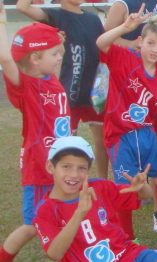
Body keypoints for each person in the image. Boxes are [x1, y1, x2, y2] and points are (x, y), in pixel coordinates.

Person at [17, 0, 108, 175]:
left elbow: (104, 52)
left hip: (94, 91)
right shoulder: (54, 16)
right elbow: (22, 6)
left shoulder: (93, 19)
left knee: (102, 138)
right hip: (66, 91)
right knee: (66, 142)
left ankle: (103, 180)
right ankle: (66, 183)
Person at [34, 137, 157, 262]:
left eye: (81, 168)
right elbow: (54, 253)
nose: (74, 174)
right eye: (66, 166)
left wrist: (141, 187)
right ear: (50, 167)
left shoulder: (100, 187)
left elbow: (147, 195)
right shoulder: (45, 210)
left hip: (126, 253)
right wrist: (79, 213)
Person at [96, 12, 157, 238]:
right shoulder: (124, 58)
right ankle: (126, 237)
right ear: (140, 42)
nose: (155, 49)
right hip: (120, 136)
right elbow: (101, 43)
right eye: (151, 43)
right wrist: (124, 27)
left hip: (148, 135)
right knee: (126, 186)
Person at [0, 19, 70, 261]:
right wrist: (1, 21)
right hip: (40, 166)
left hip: (59, 163)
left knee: (64, 214)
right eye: (54, 54)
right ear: (34, 59)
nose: (60, 58)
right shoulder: (27, 86)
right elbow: (6, 59)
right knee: (32, 226)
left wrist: (57, 44)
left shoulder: (50, 78)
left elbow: (55, 61)